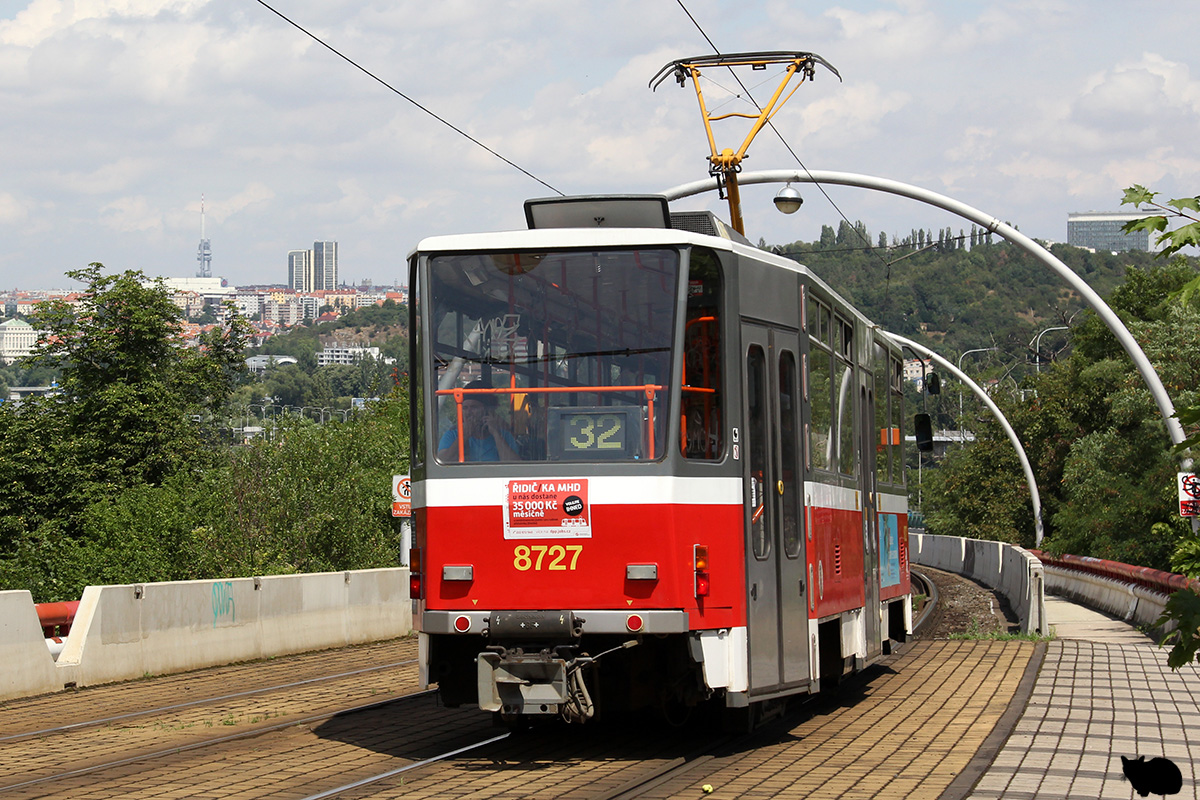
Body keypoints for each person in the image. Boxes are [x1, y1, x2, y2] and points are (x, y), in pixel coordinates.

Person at [437, 381, 522, 462]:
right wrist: (464, 436)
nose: (469, 413)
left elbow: (515, 465)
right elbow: (442, 462)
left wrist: (496, 435)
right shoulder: (453, 435)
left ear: (486, 411)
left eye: (474, 407)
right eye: (465, 408)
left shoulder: (503, 435)